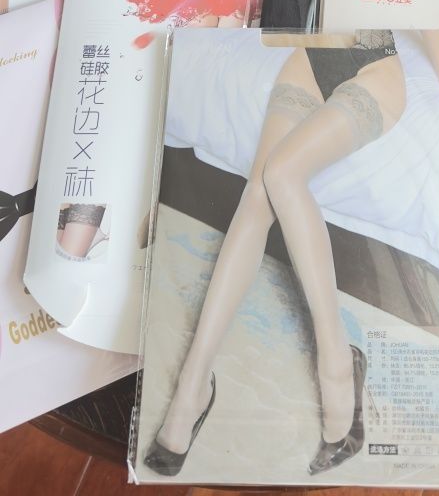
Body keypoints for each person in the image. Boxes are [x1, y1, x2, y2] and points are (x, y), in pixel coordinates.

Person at [144, 29, 411, 478]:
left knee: (282, 173)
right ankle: (193, 383)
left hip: (374, 61)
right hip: (313, 55)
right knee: (257, 192)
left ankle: (337, 364)